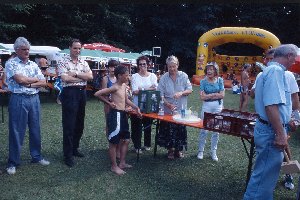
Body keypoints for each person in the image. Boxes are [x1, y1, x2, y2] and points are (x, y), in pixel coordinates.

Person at [243, 44, 299, 200]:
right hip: (271, 131)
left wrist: (288, 121)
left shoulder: (271, 71)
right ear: (288, 55)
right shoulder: (275, 71)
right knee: (262, 182)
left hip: (268, 129)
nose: (295, 61)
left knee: (264, 177)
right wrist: (280, 134)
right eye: (294, 57)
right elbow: (271, 106)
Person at [5, 37, 50, 175]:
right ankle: (13, 162)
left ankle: (36, 156)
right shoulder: (11, 63)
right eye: (24, 49)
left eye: (28, 49)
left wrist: (29, 83)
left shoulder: (33, 64)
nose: (27, 52)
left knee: (35, 128)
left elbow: (44, 82)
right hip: (18, 99)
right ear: (16, 50)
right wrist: (36, 79)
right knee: (17, 130)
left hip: (34, 99)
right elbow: (19, 80)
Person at [94, 65, 142, 175]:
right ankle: (114, 166)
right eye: (126, 75)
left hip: (123, 114)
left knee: (126, 139)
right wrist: (109, 103)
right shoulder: (114, 87)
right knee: (114, 141)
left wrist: (136, 107)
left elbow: (125, 100)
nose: (128, 77)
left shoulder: (124, 85)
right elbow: (97, 94)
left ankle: (122, 163)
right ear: (120, 76)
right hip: (115, 115)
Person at [57, 38, 93, 167]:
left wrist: (76, 74)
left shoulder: (83, 61)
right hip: (69, 93)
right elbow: (65, 78)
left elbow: (90, 77)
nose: (77, 50)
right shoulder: (62, 61)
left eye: (79, 48)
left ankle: (74, 149)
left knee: (79, 123)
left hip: (82, 93)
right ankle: (67, 155)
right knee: (69, 124)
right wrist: (82, 76)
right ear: (70, 48)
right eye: (75, 48)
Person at [157, 55, 193, 159]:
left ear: (177, 65)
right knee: (168, 130)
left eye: (174, 66)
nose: (172, 69)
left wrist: (181, 93)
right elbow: (160, 95)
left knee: (180, 130)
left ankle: (178, 151)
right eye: (169, 67)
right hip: (168, 110)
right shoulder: (164, 77)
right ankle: (170, 151)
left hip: (181, 109)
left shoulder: (184, 76)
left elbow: (190, 90)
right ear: (167, 67)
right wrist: (168, 104)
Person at [197, 62, 225, 161]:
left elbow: (222, 95)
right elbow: (202, 97)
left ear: (215, 71)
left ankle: (213, 151)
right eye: (208, 69)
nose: (209, 71)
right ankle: (201, 151)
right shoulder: (203, 82)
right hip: (206, 107)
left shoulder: (220, 80)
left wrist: (208, 95)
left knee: (216, 130)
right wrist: (214, 94)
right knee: (204, 129)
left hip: (218, 107)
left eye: (211, 69)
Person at [131, 55, 158, 154]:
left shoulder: (153, 76)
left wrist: (141, 89)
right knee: (136, 126)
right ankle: (136, 146)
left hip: (149, 105)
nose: (142, 66)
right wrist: (148, 88)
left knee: (148, 125)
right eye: (140, 64)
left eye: (144, 64)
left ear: (148, 65)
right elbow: (134, 91)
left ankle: (147, 144)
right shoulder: (134, 76)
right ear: (138, 66)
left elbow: (155, 88)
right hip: (136, 105)